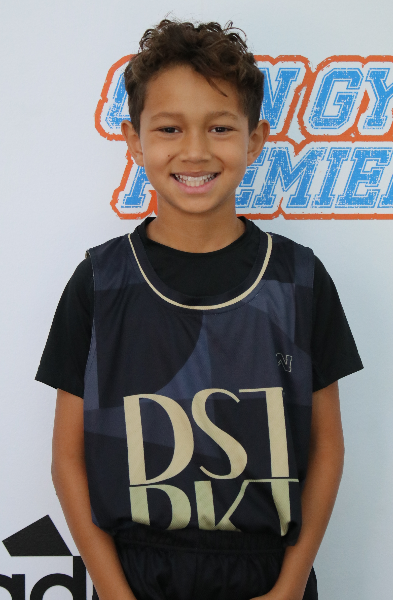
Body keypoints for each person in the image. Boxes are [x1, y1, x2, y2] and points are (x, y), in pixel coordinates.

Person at [36, 19, 363, 600]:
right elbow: (67, 458)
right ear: (134, 140)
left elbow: (327, 446)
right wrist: (115, 592)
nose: (194, 150)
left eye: (219, 127)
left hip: (267, 576)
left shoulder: (299, 280)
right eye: (169, 128)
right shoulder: (100, 283)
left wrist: (288, 587)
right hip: (134, 577)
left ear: (254, 140)